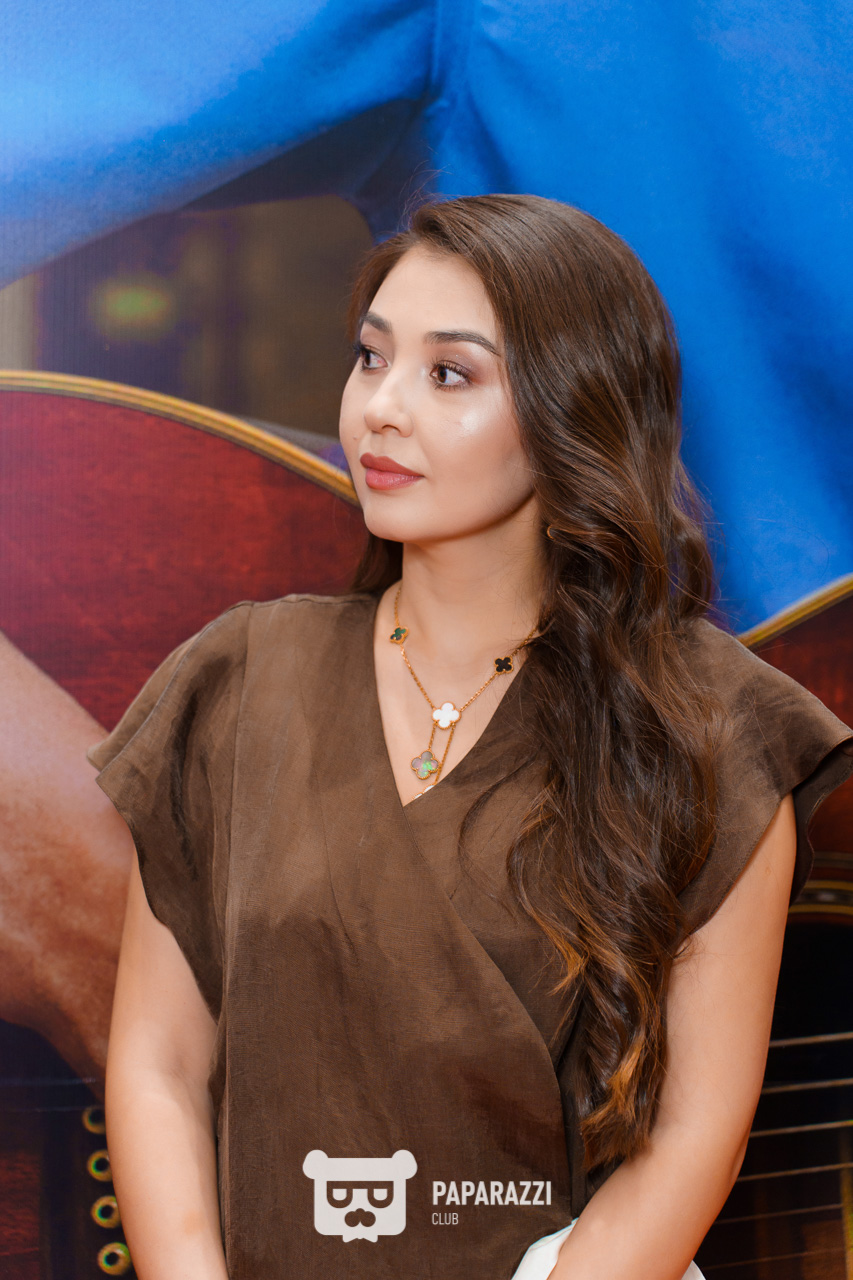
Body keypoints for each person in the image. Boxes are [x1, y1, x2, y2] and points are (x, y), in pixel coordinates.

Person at [88, 193, 853, 1280]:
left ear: (573, 408)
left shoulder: (712, 728)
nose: (379, 409)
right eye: (370, 358)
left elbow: (693, 1138)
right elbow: (158, 1061)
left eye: (448, 374)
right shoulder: (236, 680)